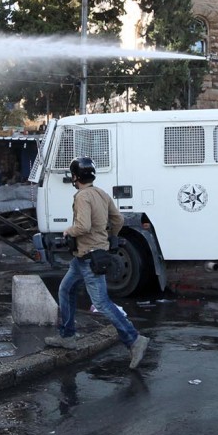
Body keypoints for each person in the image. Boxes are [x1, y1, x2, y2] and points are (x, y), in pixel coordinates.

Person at [45, 157, 149, 369]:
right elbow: (118, 219)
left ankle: (134, 339)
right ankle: (67, 336)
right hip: (85, 256)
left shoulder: (82, 196)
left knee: (101, 302)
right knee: (66, 289)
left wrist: (68, 231)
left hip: (89, 257)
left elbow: (82, 226)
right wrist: (108, 236)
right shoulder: (101, 193)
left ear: (75, 177)